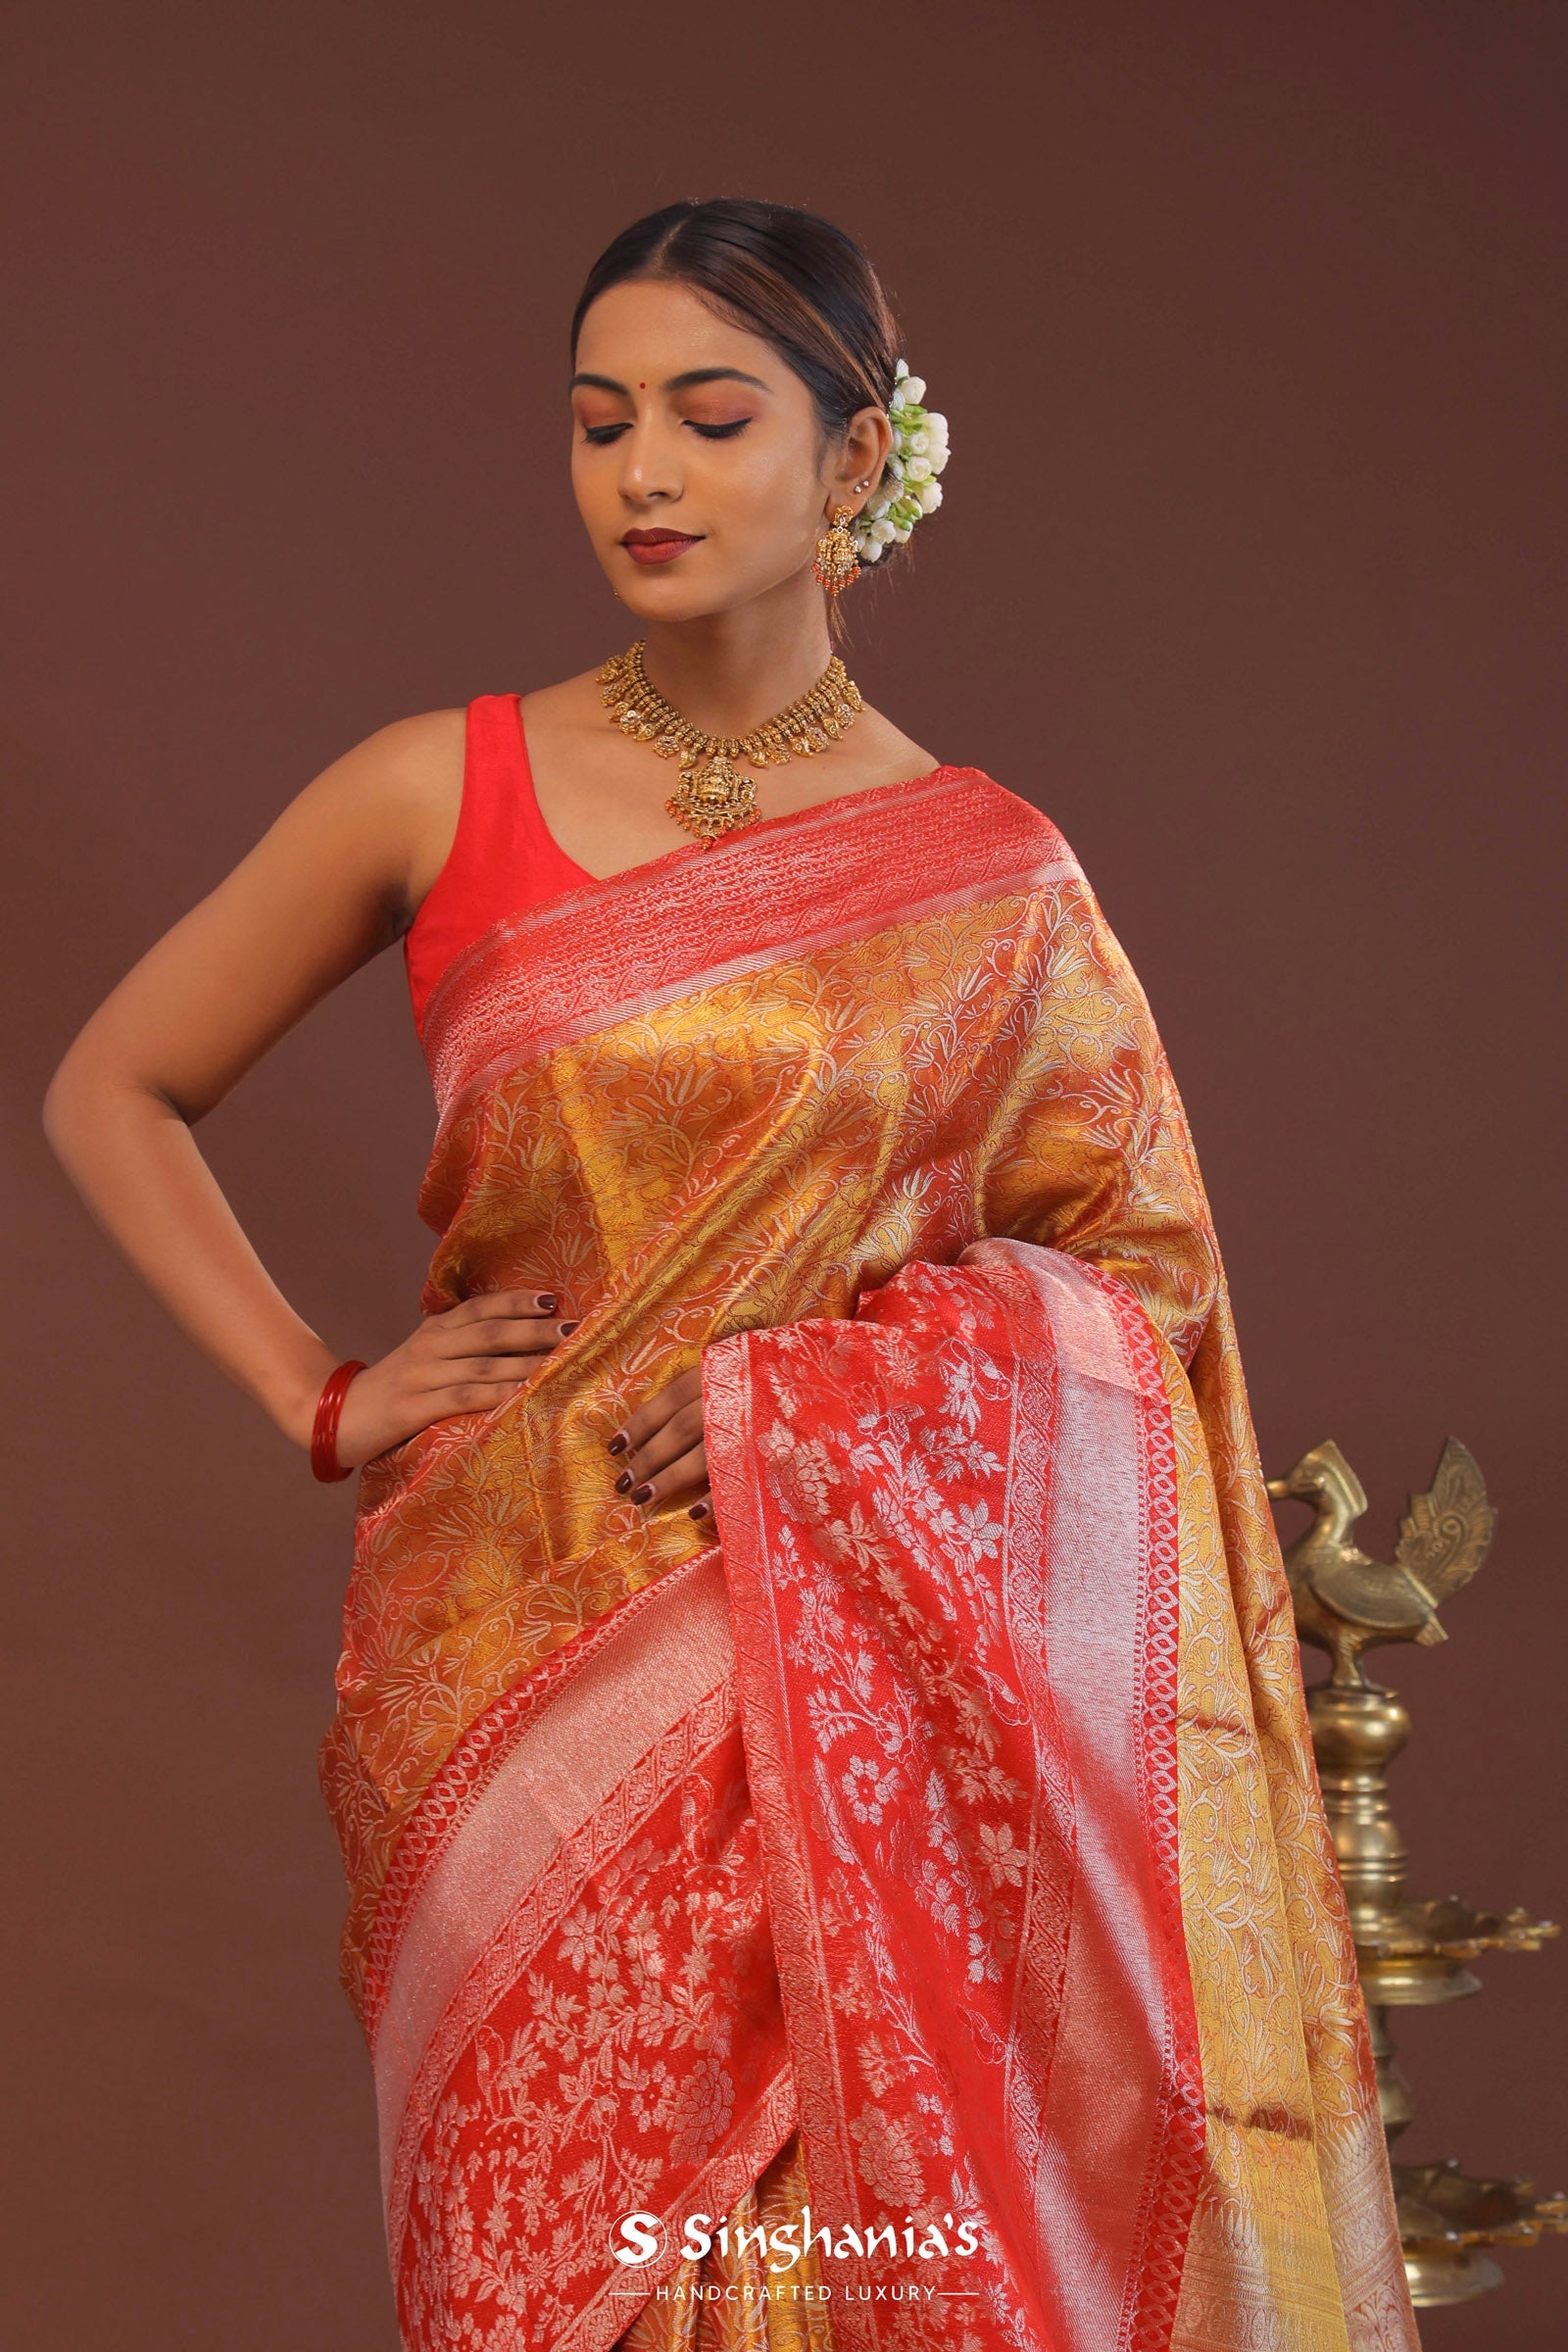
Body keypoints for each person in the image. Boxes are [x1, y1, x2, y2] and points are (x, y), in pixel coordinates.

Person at [43, 198, 1418, 2352]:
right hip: (508, 1652)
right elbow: (112, 1086)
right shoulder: (439, 783)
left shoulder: (990, 876)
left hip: (857, 1683)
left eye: (707, 417)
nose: (643, 476)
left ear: (855, 459)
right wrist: (322, 1389)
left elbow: (1137, 1296)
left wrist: (820, 1410)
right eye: (599, 425)